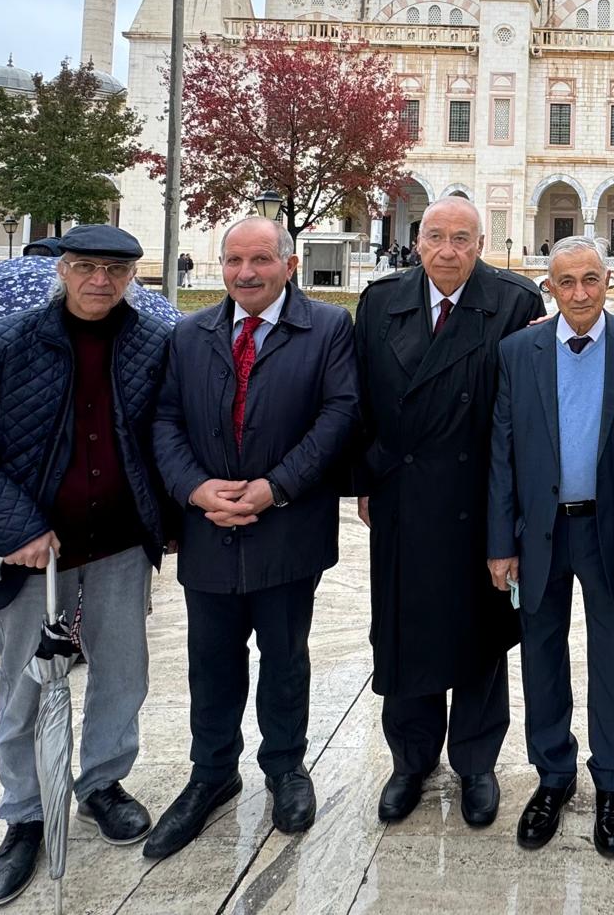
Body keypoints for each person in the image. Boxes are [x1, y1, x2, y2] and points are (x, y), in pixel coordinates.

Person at [0, 225, 173, 908]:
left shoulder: (152, 342)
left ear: (131, 278)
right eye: (86, 266)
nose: (100, 281)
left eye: (115, 271)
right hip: (35, 551)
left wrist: (171, 516)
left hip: (117, 542)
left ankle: (101, 783)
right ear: (62, 268)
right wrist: (18, 525)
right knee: (27, 686)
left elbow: (164, 434)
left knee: (122, 670)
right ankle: (25, 813)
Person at [145, 217, 358, 858]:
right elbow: (165, 417)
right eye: (235, 259)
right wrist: (194, 489)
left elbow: (339, 412)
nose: (246, 272)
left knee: (285, 656)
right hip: (210, 527)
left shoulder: (327, 328)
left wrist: (275, 487)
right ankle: (211, 774)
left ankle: (285, 768)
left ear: (288, 265)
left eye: (261, 259)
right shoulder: (190, 334)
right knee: (211, 660)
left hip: (286, 525)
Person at [354, 197, 542, 829]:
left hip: (478, 500)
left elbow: (522, 415)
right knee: (405, 631)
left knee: (480, 634)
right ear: (417, 241)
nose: (448, 250)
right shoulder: (381, 302)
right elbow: (361, 399)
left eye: (462, 239)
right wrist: (370, 477)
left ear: (480, 243)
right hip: (404, 499)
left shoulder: (514, 302)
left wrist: (514, 510)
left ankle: (475, 761)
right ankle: (410, 759)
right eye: (436, 237)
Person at [487, 236, 614, 858]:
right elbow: (502, 452)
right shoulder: (518, 351)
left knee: (612, 654)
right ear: (549, 287)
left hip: (607, 531)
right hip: (540, 531)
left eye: (591, 279)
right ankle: (553, 776)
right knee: (541, 655)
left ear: (608, 280)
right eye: (566, 282)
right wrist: (501, 541)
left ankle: (613, 782)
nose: (580, 293)